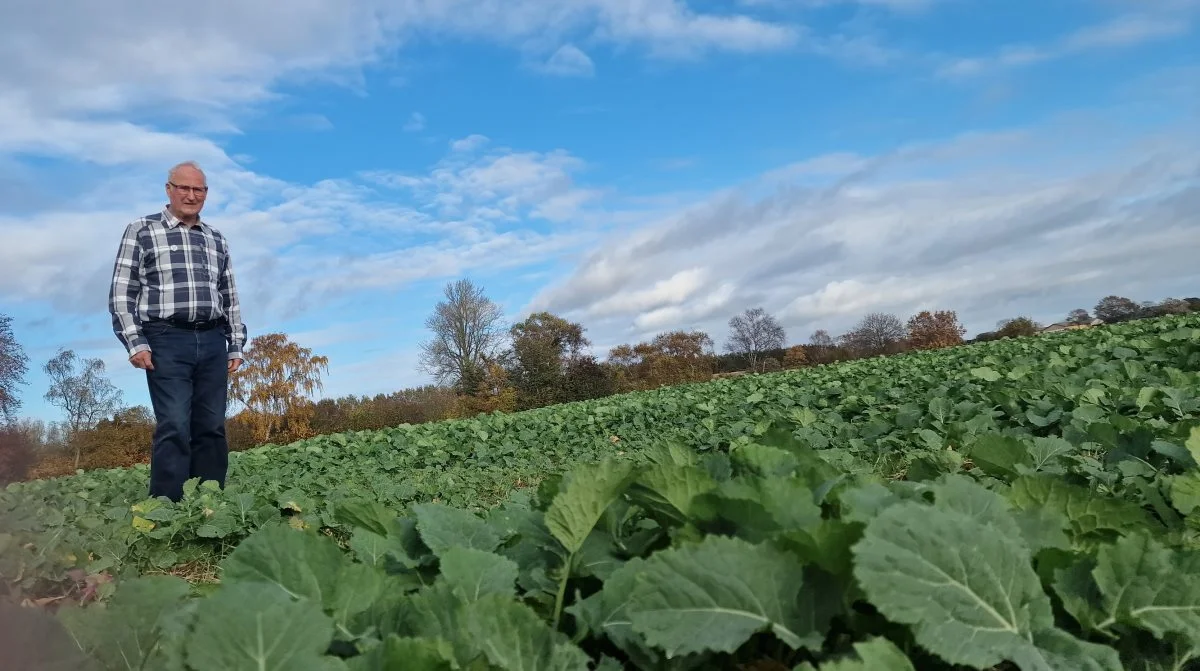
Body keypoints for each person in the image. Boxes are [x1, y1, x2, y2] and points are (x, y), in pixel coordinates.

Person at [108, 161, 247, 502]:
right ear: (168, 189)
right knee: (173, 425)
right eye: (183, 188)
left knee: (212, 426)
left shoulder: (215, 239)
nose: (191, 195)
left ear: (206, 194)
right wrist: (135, 342)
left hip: (213, 339)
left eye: (198, 189)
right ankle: (166, 509)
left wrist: (235, 344)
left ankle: (209, 502)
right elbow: (121, 292)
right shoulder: (141, 230)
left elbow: (229, 295)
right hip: (166, 339)